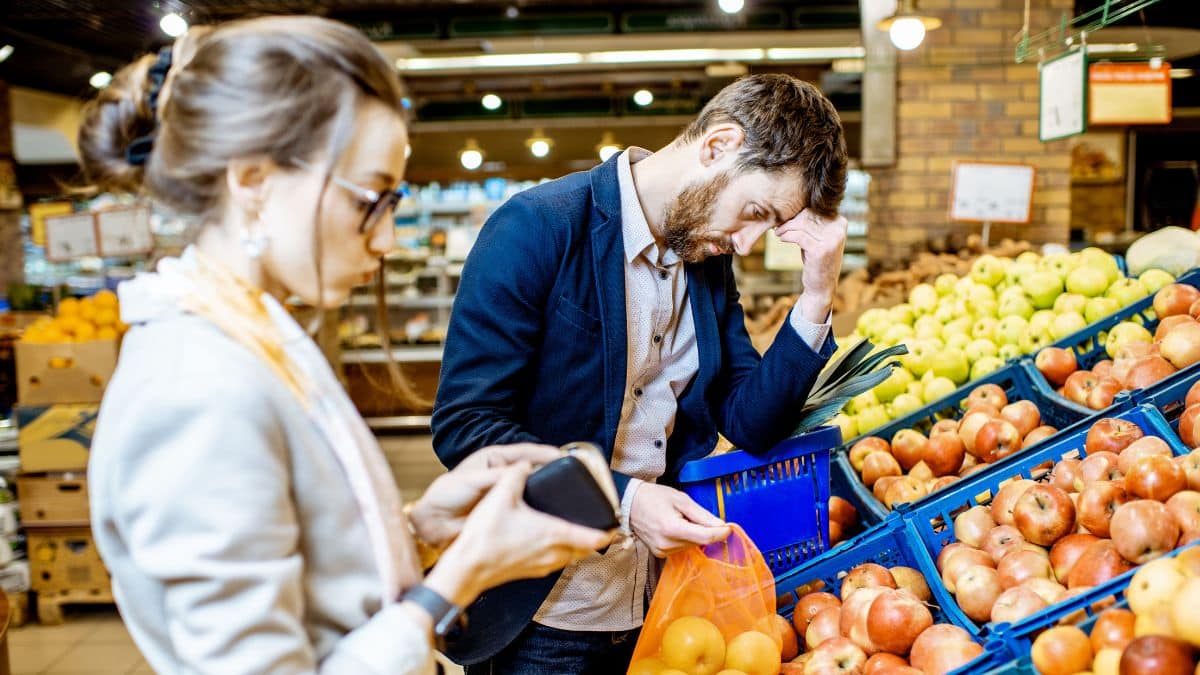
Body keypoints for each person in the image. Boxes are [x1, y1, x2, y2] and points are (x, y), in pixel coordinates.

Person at [80, 16, 613, 675]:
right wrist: (462, 576)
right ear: (251, 179)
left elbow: (306, 578)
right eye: (372, 198)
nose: (387, 239)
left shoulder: (253, 333)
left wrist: (419, 528)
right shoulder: (197, 388)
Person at [432, 73, 850, 672]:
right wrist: (625, 502)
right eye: (754, 212)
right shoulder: (538, 227)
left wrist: (816, 294)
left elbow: (750, 422)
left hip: (661, 607)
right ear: (717, 145)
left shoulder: (706, 265)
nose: (749, 244)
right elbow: (467, 426)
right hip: (544, 613)